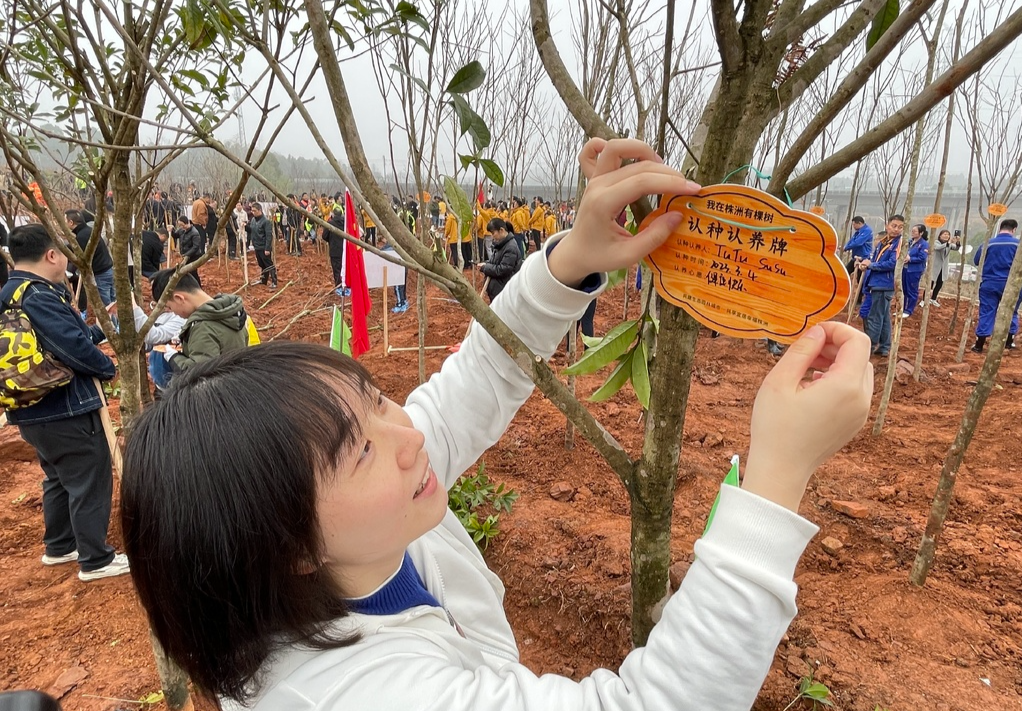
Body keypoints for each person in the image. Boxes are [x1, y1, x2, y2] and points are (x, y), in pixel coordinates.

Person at [121, 138, 875, 711]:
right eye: (358, 448)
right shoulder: (362, 694)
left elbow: (475, 378)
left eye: (376, 397)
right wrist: (777, 477)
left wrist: (574, 259)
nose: (408, 432)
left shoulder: (365, 520)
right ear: (287, 546)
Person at [1, 224, 128, 582]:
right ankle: (96, 558)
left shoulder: (9, 293)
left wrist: (103, 327)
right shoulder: (39, 296)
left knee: (57, 476)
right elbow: (73, 347)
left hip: (29, 409)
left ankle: (59, 546)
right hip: (65, 407)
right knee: (89, 472)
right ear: (51, 255)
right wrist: (106, 367)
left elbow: (72, 336)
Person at [150, 269, 249, 372]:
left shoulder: (203, 327)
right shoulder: (232, 313)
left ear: (179, 298)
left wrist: (173, 358)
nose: (173, 313)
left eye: (169, 307)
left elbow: (198, 372)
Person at [971, 218, 1022, 353]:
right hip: (1012, 284)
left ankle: (979, 345)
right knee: (1011, 312)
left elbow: (977, 260)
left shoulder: (987, 244)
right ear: (1014, 229)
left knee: (987, 312)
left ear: (1000, 228)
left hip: (990, 283)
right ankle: (1008, 343)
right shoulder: (1020, 244)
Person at [858, 215, 904, 356]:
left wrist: (871, 265)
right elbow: (874, 259)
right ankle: (884, 347)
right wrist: (866, 263)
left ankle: (869, 347)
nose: (896, 229)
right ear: (887, 225)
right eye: (894, 226)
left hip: (884, 284)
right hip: (876, 282)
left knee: (875, 317)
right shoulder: (884, 241)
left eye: (900, 227)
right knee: (883, 317)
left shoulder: (899, 243)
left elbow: (893, 264)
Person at [66, 209, 116, 307]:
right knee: (113, 301)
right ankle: (117, 322)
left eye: (65, 221)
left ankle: (113, 323)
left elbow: (79, 259)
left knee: (107, 306)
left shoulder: (81, 237)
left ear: (71, 222)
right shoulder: (89, 231)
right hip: (109, 269)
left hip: (101, 274)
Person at [478, 218, 522, 301]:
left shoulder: (510, 247)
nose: (492, 236)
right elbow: (496, 262)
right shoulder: (500, 245)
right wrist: (485, 264)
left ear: (501, 230)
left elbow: (503, 269)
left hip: (504, 289)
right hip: (499, 288)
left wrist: (486, 268)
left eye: (493, 233)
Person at [901, 223, 928, 318]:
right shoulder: (909, 242)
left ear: (921, 233)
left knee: (912, 290)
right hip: (905, 268)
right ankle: (902, 308)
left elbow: (922, 257)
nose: (912, 233)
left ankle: (909, 310)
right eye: (912, 231)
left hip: (914, 270)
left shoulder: (924, 244)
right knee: (904, 289)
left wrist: (910, 259)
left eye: (915, 231)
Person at [248, 203, 278, 289]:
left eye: (255, 211)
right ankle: (263, 280)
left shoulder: (266, 221)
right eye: (252, 210)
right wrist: (245, 226)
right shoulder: (253, 220)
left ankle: (274, 281)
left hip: (263, 246)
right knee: (261, 264)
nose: (253, 212)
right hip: (256, 246)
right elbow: (251, 230)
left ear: (260, 210)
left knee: (269, 264)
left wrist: (267, 248)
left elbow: (269, 236)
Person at [928, 229, 959, 306]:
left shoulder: (949, 244)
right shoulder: (936, 242)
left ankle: (933, 299)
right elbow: (938, 247)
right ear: (940, 235)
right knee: (930, 283)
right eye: (944, 234)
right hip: (935, 267)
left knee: (939, 284)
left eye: (948, 234)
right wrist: (948, 243)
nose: (946, 236)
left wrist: (958, 241)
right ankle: (925, 299)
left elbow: (956, 248)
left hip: (943, 267)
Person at [324, 196, 348, 296]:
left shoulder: (330, 223)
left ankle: (339, 286)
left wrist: (331, 240)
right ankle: (346, 285)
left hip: (334, 250)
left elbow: (324, 236)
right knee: (345, 268)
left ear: (333, 214)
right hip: (345, 250)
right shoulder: (346, 224)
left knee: (337, 269)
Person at [173, 215, 203, 284]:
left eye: (182, 225)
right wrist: (171, 231)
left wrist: (187, 255)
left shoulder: (195, 233)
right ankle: (188, 284)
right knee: (185, 271)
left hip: (193, 256)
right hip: (185, 255)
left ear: (187, 223)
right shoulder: (181, 230)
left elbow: (195, 247)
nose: (181, 227)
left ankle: (197, 286)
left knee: (192, 272)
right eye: (180, 225)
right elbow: (175, 235)